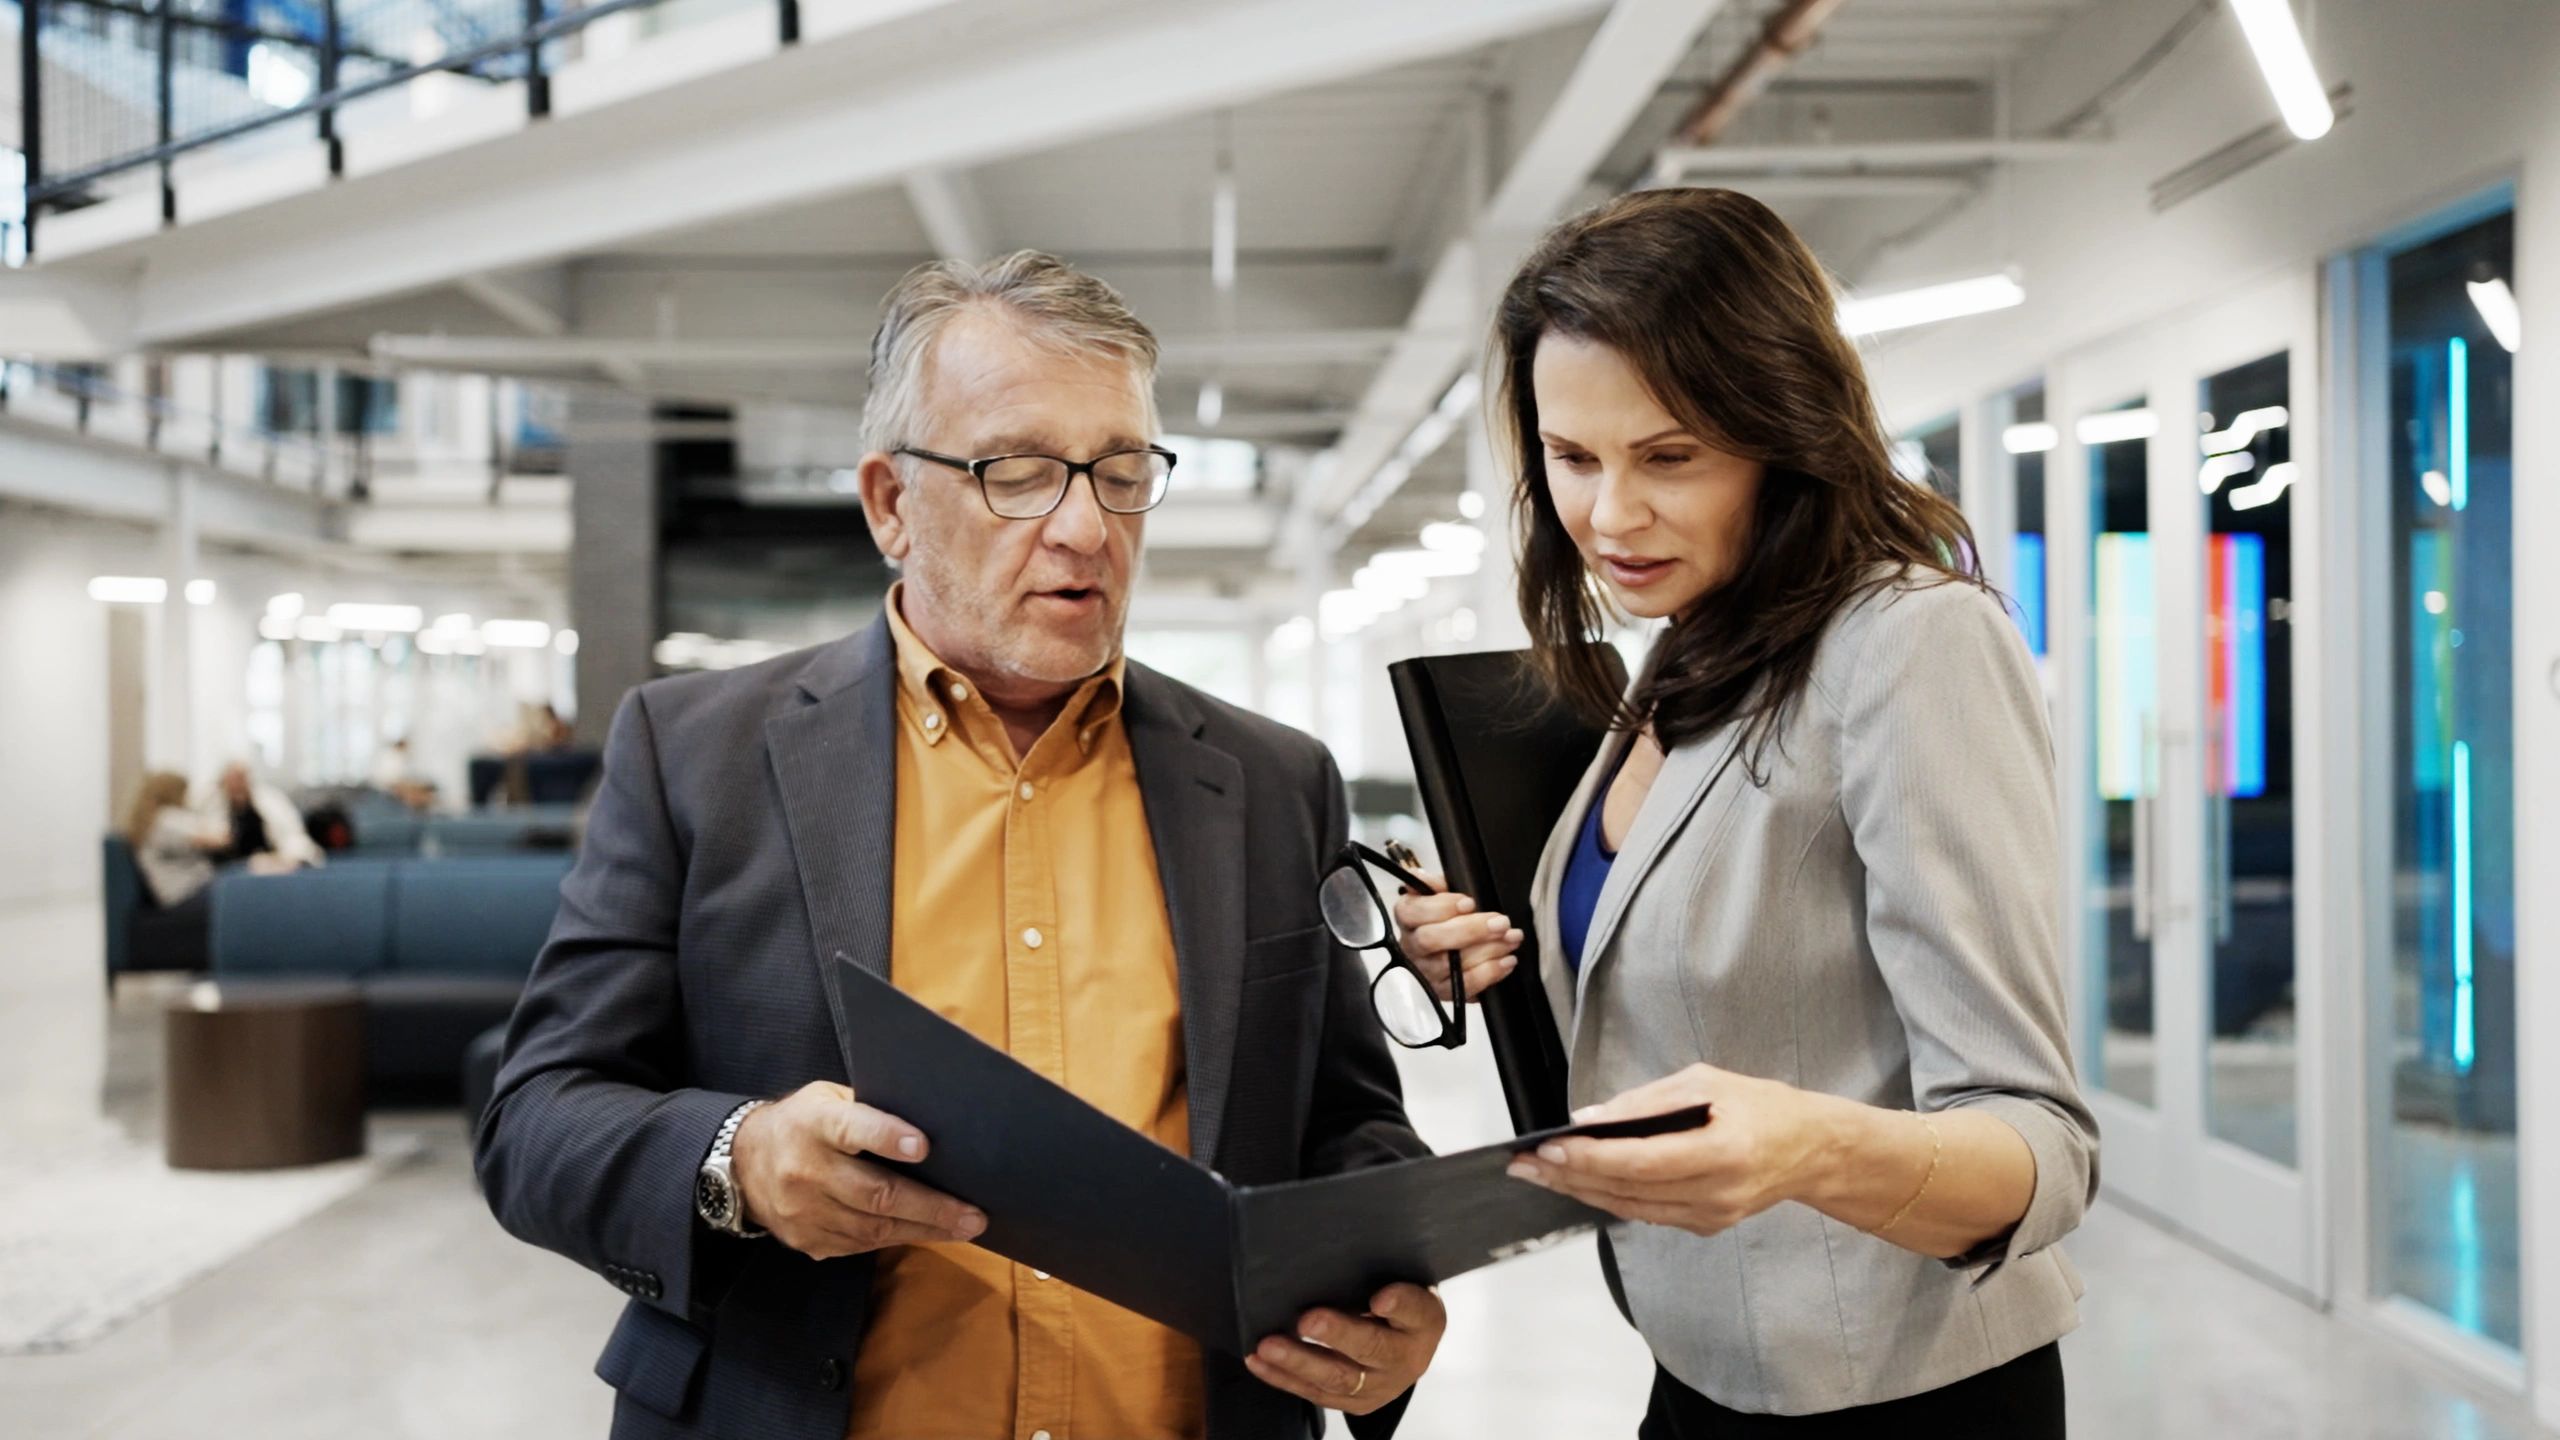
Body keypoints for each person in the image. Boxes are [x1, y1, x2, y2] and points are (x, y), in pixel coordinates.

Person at [476, 251, 1445, 1440]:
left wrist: (1382, 1292)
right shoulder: (696, 755)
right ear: (891, 502)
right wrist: (741, 1159)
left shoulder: (1269, 780)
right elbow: (536, 1120)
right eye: (1020, 473)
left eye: (1122, 472)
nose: (1085, 527)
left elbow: (1343, 1120)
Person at [1395, 188, 2097, 1437]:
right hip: (1702, 1367)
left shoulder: (1907, 646)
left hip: (1898, 1396)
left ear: (1785, 430)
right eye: (1572, 458)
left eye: (1670, 456)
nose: (1611, 516)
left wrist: (1811, 1150)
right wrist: (1505, 948)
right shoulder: (1687, 647)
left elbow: (2036, 1149)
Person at [127, 770, 229, 910]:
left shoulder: (155, 821)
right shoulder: (165, 820)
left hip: (191, 888)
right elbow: (218, 840)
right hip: (184, 894)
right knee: (245, 887)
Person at [209, 761, 323, 871]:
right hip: (230, 871)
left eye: (241, 778)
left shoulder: (271, 802)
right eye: (232, 779)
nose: (237, 784)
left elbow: (293, 837)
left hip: (270, 866)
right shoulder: (214, 807)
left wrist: (274, 859)